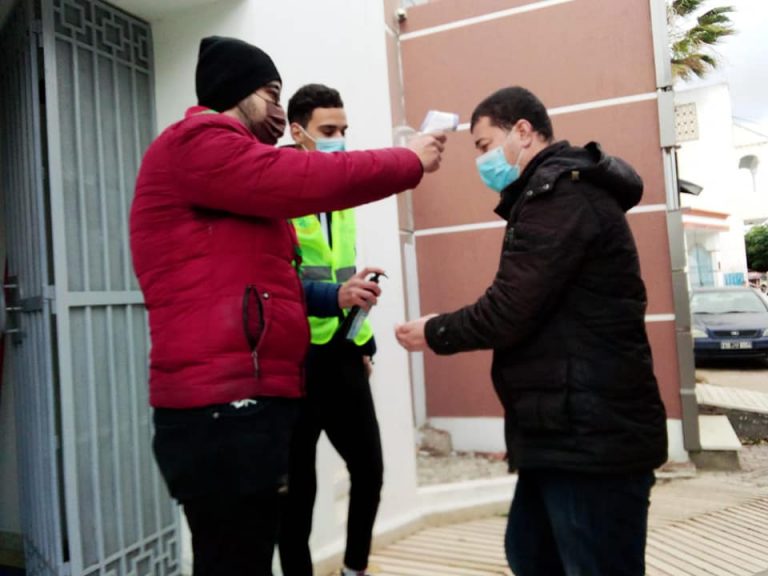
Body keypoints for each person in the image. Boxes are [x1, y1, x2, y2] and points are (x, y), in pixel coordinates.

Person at [130, 36, 445, 576]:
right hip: (223, 407)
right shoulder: (199, 141)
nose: (278, 110)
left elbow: (272, 286)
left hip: (252, 398)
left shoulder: (230, 178)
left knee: (245, 553)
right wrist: (408, 159)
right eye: (272, 94)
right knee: (238, 556)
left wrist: (346, 318)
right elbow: (302, 176)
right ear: (236, 91)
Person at [395, 86, 667, 576]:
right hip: (561, 433)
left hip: (590, 440)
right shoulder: (550, 194)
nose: (480, 161)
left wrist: (434, 331)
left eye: (483, 145)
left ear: (522, 131)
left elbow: (509, 309)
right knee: (530, 552)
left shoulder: (562, 196)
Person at [277, 84, 384, 576]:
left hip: (344, 352)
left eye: (343, 129)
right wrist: (334, 295)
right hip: (295, 362)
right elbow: (274, 282)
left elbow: (339, 270)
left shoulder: (340, 193)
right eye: (328, 130)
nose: (339, 139)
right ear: (298, 132)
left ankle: (353, 571)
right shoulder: (274, 192)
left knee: (370, 471)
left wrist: (364, 339)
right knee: (297, 493)